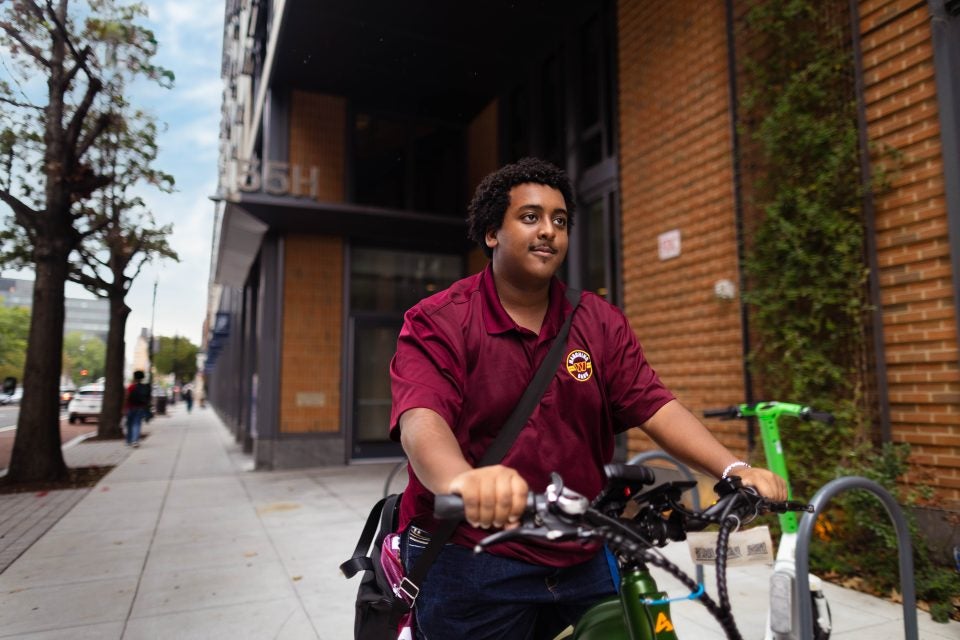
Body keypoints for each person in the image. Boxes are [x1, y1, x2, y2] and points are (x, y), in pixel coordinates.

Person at [389, 157, 787, 639]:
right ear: (492, 232)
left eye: (560, 220)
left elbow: (654, 402)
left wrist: (733, 469)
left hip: (583, 552)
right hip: (474, 557)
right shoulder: (440, 319)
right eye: (530, 217)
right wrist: (462, 482)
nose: (549, 231)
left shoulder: (599, 321)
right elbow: (421, 419)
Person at [124, 370, 151, 447]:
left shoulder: (131, 387)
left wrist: (124, 408)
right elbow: (148, 398)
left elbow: (126, 397)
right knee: (137, 424)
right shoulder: (144, 387)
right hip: (140, 408)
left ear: (134, 377)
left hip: (130, 407)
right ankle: (135, 440)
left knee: (129, 424)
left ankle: (129, 440)